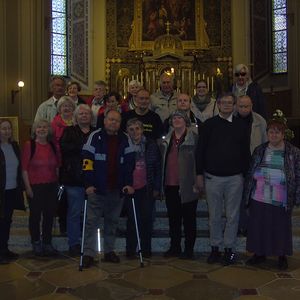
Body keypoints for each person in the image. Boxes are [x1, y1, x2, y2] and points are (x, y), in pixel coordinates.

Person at [196, 92, 250, 265]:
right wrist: (199, 174)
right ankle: (215, 248)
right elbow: (200, 151)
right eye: (223, 102)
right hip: (213, 178)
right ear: (218, 104)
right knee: (215, 216)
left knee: (233, 216)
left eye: (230, 102)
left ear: (234, 105)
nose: (227, 105)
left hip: (235, 178)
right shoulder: (209, 125)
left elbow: (245, 152)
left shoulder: (241, 125)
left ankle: (229, 249)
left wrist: (246, 174)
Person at [244, 118, 300, 270]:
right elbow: (251, 171)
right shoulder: (260, 150)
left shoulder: (293, 152)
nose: (274, 135)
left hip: (281, 197)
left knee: (280, 228)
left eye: (277, 132)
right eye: (271, 132)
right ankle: (259, 254)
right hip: (259, 195)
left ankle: (281, 256)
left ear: (283, 134)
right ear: (267, 133)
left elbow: (298, 174)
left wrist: (297, 196)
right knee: (259, 226)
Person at [81, 109, 135, 268]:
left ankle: (109, 251)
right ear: (104, 121)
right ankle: (89, 253)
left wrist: (128, 183)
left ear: (120, 123)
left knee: (112, 222)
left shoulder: (126, 139)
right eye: (111, 119)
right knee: (91, 222)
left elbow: (130, 165)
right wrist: (88, 184)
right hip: (96, 189)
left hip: (117, 189)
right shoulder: (94, 137)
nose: (113, 123)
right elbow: (86, 161)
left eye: (117, 121)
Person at [161, 110, 199, 259]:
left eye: (180, 118)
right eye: (174, 117)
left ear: (186, 121)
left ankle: (189, 249)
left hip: (188, 185)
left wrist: (197, 182)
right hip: (170, 185)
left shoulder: (193, 138)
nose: (177, 120)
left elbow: (198, 161)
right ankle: (174, 247)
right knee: (173, 219)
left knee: (189, 219)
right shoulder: (166, 140)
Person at [60, 104, 94, 256]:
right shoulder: (69, 131)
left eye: (87, 113)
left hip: (93, 179)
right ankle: (73, 243)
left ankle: (89, 243)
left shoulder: (96, 132)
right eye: (81, 114)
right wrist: (84, 146)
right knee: (74, 212)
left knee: (91, 214)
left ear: (91, 116)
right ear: (76, 117)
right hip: (74, 178)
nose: (84, 116)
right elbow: (65, 149)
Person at [22, 119, 60, 256]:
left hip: (51, 186)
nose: (42, 129)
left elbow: (57, 166)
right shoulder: (29, 145)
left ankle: (47, 242)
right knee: (35, 216)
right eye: (39, 127)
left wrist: (56, 184)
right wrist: (28, 188)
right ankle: (36, 241)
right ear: (34, 130)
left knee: (49, 216)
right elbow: (24, 169)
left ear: (49, 130)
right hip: (35, 186)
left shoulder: (52, 146)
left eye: (44, 127)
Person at [125, 118, 161, 258]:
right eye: (131, 129)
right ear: (127, 131)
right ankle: (131, 249)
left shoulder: (151, 145)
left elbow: (157, 167)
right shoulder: (125, 145)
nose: (135, 132)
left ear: (142, 129)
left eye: (137, 128)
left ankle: (146, 249)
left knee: (147, 219)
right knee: (133, 220)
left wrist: (157, 187)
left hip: (147, 187)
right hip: (130, 188)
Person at [236, 95, 268, 235]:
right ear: (237, 106)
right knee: (238, 199)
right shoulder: (231, 119)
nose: (244, 109)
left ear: (252, 106)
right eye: (241, 106)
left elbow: (265, 143)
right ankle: (240, 226)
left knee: (254, 198)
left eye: (246, 106)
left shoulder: (260, 121)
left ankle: (253, 226)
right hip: (235, 165)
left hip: (255, 165)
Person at [0, 119, 25, 264]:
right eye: (3, 129)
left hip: (12, 190)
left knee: (7, 221)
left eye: (9, 128)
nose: (7, 131)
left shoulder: (14, 146)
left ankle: (5, 249)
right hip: (1, 191)